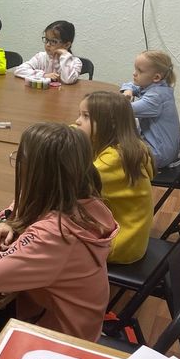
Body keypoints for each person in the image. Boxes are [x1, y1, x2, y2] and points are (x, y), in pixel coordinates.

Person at [0, 123, 118, 359]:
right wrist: (6, 222)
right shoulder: (84, 201)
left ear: (37, 174)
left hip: (58, 346)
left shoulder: (55, 234)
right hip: (70, 323)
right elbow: (20, 203)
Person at [76, 91, 155, 264]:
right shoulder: (129, 144)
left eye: (86, 116)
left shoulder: (114, 160)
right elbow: (73, 129)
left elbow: (74, 186)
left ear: (109, 123)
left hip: (121, 242)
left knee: (54, 235)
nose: (78, 121)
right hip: (131, 234)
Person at [120, 50, 180, 168]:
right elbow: (131, 84)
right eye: (135, 69)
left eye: (139, 71)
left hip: (158, 154)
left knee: (112, 151)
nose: (134, 73)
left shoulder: (156, 97)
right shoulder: (156, 86)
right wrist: (128, 90)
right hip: (159, 146)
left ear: (156, 77)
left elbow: (122, 109)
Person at [13, 20, 82, 84]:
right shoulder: (40, 57)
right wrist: (44, 75)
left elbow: (68, 80)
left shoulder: (75, 62)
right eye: (46, 40)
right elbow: (19, 70)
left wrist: (65, 55)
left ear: (67, 45)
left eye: (53, 41)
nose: (48, 44)